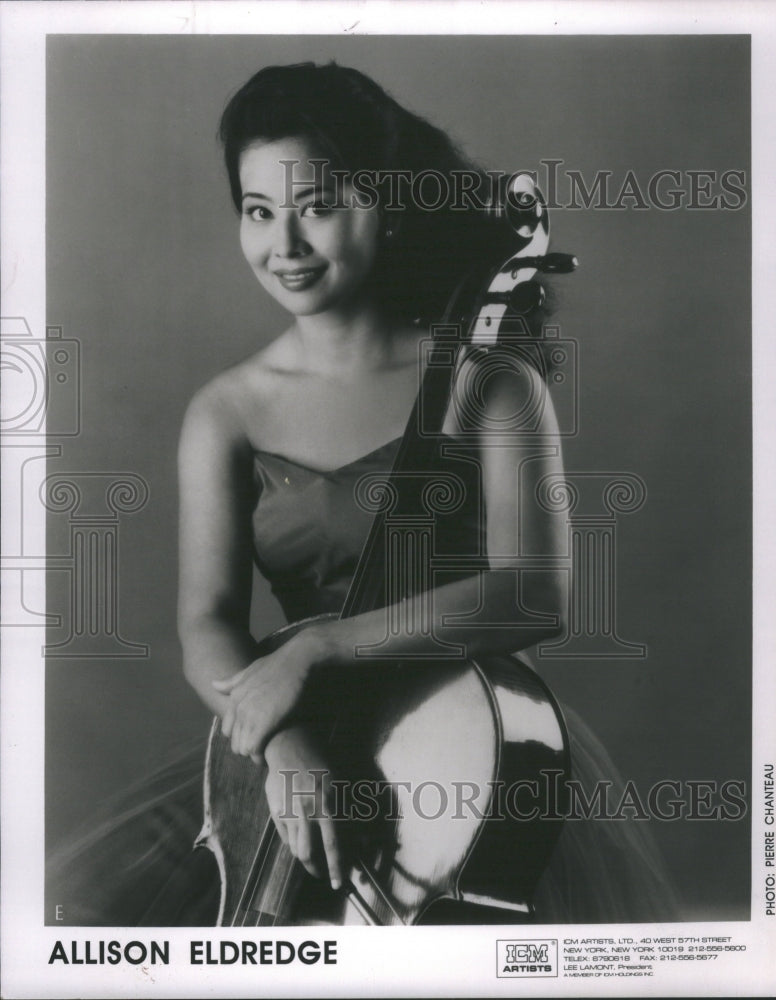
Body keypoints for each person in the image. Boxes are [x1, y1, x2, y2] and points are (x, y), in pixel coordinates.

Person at [47, 61, 677, 926]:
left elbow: (534, 591)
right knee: (81, 911)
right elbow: (208, 622)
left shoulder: (487, 379)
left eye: (318, 206)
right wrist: (283, 745)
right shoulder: (227, 409)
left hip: (465, 746)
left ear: (386, 204)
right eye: (258, 211)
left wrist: (317, 650)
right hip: (294, 741)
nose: (286, 245)